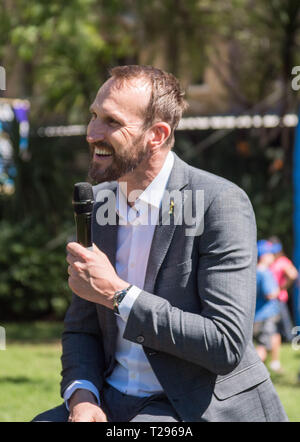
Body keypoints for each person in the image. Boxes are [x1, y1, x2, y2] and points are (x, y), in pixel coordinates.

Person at [33, 65, 287, 422]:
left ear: (157, 134)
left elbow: (225, 343)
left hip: (188, 405)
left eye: (111, 122)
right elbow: (81, 326)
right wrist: (83, 394)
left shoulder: (220, 203)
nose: (92, 133)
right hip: (108, 398)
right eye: (93, 116)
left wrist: (119, 295)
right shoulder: (98, 203)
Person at [268, 237, 298, 373]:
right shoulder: (272, 261)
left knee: (284, 330)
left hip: (278, 301)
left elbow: (293, 275)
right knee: (273, 330)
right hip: (271, 301)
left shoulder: (282, 261)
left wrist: (282, 288)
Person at [253, 240, 281, 366]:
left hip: (256, 316)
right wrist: (278, 290)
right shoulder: (265, 273)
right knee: (262, 347)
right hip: (265, 316)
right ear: (264, 256)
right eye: (271, 254)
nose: (273, 256)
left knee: (262, 342)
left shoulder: (253, 271)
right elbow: (270, 294)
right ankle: (254, 372)